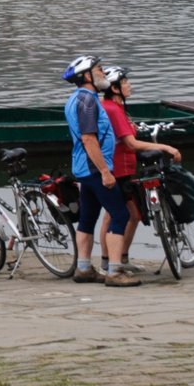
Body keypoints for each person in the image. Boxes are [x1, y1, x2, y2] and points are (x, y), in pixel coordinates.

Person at [64, 54, 139, 286]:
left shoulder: (80, 98)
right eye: (99, 69)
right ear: (86, 76)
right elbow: (89, 139)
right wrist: (106, 172)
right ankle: (115, 272)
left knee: (87, 218)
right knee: (121, 215)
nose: (104, 73)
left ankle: (84, 268)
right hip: (95, 169)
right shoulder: (87, 102)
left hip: (84, 169)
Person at [100, 65, 182, 272]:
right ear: (115, 88)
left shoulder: (114, 107)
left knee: (129, 215)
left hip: (124, 167)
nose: (130, 85)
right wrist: (166, 147)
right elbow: (131, 144)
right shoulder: (111, 108)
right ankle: (109, 261)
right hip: (117, 169)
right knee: (116, 215)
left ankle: (120, 259)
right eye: (125, 82)